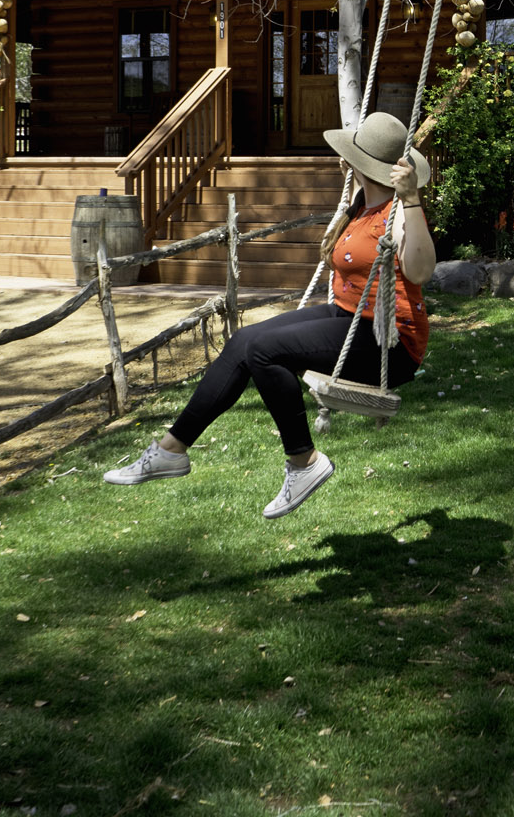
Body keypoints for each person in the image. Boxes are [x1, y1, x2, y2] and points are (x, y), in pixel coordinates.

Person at [102, 111, 436, 518]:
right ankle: (172, 450)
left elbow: (419, 271)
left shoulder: (399, 212)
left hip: (389, 344)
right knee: (244, 342)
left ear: (356, 161)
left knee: (265, 351)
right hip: (347, 318)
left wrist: (413, 199)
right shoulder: (361, 204)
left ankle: (304, 462)